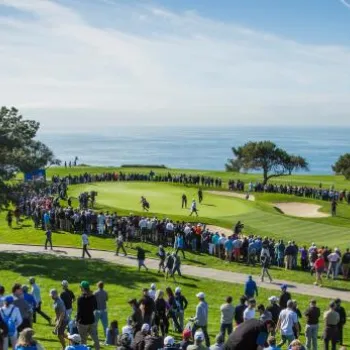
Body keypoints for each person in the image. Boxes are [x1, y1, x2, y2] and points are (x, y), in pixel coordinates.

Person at [76, 281, 100, 350]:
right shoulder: (93, 297)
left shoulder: (80, 299)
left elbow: (79, 312)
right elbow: (95, 307)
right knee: (95, 338)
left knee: (83, 340)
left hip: (83, 322)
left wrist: (76, 320)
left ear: (83, 288)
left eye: (80, 287)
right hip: (91, 320)